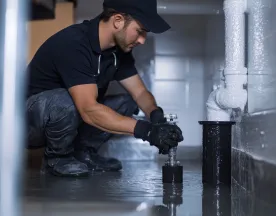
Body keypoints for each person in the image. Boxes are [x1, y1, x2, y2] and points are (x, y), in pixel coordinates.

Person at [25, 0, 184, 177]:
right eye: (140, 31)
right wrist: (147, 131)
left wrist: (157, 118)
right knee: (69, 101)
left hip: (66, 114)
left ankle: (83, 153)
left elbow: (139, 92)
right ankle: (56, 159)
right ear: (117, 21)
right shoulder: (74, 43)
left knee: (127, 103)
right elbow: (88, 110)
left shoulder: (117, 51)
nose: (142, 40)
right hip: (27, 123)